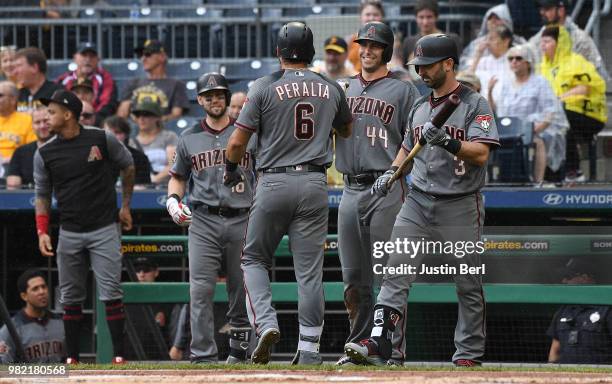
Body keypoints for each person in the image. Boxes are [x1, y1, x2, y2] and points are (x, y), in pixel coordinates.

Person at [344, 33, 499, 367]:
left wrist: (447, 142)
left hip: (460, 202)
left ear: (448, 64)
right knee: (395, 272)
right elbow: (407, 147)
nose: (422, 72)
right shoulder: (419, 104)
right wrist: (392, 172)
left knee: (468, 281)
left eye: (428, 66)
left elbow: (482, 153)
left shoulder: (473, 104)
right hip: (417, 200)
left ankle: (468, 354)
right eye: (419, 66)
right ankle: (380, 341)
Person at [224, 22, 352, 365]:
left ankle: (265, 323)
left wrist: (231, 168)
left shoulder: (265, 86)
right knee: (309, 270)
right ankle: (309, 349)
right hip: (314, 182)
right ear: (311, 52)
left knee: (253, 259)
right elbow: (347, 127)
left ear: (278, 51)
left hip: (274, 181)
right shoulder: (330, 85)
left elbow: (237, 142)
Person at [334, 21, 419, 367]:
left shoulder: (403, 90)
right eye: (363, 45)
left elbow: (414, 141)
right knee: (353, 280)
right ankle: (358, 348)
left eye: (373, 45)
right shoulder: (343, 88)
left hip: (387, 187)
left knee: (389, 275)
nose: (366, 50)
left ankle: (392, 350)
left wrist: (397, 173)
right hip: (349, 189)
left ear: (385, 50)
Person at [33, 89, 135, 364]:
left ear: (68, 114)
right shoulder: (45, 152)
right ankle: (73, 359)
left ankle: (119, 357)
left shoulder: (101, 138)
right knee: (70, 296)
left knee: (111, 292)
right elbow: (42, 195)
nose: (46, 116)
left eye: (52, 111)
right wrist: (42, 230)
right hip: (69, 230)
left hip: (104, 226)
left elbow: (128, 165)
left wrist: (125, 205)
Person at [168, 72, 255, 364]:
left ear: (227, 97)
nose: (214, 99)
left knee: (240, 288)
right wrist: (172, 201)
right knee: (201, 290)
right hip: (203, 219)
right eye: (208, 95)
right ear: (200, 100)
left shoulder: (246, 132)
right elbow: (178, 177)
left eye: (219, 94)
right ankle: (203, 355)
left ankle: (240, 351)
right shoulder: (189, 137)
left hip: (242, 216)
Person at [489, 44, 568, 185]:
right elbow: (499, 112)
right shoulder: (507, 84)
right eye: (510, 58)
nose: (514, 61)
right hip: (511, 129)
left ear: (528, 62)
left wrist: (536, 128)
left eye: (518, 58)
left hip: (535, 128)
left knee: (537, 141)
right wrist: (489, 91)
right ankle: (496, 179)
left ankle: (538, 181)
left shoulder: (540, 82)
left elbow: (550, 111)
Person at [538, 26, 607, 183]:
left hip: (590, 115)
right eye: (541, 42)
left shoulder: (576, 62)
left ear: (559, 43)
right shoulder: (543, 67)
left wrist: (558, 100)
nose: (543, 46)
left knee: (560, 120)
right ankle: (550, 177)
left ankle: (574, 170)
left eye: (547, 41)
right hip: (560, 113)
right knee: (545, 123)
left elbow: (583, 88)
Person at [547, 258, 612, 364]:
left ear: (585, 277)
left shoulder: (607, 309)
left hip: (599, 376)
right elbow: (555, 350)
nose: (564, 281)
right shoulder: (563, 311)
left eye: (568, 277)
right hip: (565, 376)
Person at [529, 0, 609, 80]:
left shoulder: (580, 39)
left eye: (547, 9)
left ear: (561, 11)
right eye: (541, 9)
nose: (542, 12)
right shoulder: (537, 40)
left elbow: (599, 76)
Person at [0, 269, 65, 363]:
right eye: (35, 289)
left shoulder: (60, 323)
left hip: (58, 377)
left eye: (44, 287)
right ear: (24, 296)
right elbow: (4, 369)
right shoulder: (11, 329)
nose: (42, 292)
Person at [117, 40, 190, 121]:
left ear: (162, 57)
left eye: (148, 54)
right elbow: (122, 114)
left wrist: (151, 123)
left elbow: (176, 115)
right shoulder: (133, 83)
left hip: (161, 130)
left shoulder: (176, 84)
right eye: (141, 55)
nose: (143, 59)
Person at [56, 42, 118, 121]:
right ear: (75, 57)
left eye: (92, 56)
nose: (88, 59)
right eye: (84, 55)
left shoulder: (106, 79)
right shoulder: (63, 80)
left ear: (98, 59)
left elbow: (107, 105)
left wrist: (90, 118)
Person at [459, 3, 525, 71]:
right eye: (490, 18)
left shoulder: (519, 43)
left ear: (506, 21)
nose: (493, 21)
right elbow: (464, 69)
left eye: (497, 18)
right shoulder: (476, 44)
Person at [401, 0, 462, 71]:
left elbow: (459, 66)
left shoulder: (452, 39)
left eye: (429, 17)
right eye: (421, 17)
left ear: (436, 17)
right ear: (416, 18)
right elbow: (405, 70)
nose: (425, 22)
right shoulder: (409, 42)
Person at [133, 100, 178, 185]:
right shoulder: (132, 142)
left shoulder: (169, 137)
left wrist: (155, 179)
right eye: (138, 115)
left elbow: (174, 165)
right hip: (139, 187)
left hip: (165, 186)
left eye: (146, 115)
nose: (141, 119)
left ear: (157, 117)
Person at [7, 107, 52, 189]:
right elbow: (12, 186)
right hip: (28, 199)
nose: (42, 126)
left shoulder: (67, 149)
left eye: (46, 121)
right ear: (32, 126)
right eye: (37, 122)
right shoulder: (20, 152)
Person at [103, 115, 152, 187]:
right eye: (108, 132)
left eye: (117, 132)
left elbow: (143, 186)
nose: (112, 136)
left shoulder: (140, 158)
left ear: (125, 135)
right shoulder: (95, 157)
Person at [469, 24, 514, 100]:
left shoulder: (515, 60)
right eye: (487, 39)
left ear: (506, 41)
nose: (487, 43)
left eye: (492, 39)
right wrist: (478, 54)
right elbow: (468, 81)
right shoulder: (482, 61)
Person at [13, 47, 62, 112]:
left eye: (19, 66)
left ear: (34, 67)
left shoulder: (57, 93)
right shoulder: (17, 95)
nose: (14, 72)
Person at [0, 81, 35, 169]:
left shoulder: (27, 120)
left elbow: (32, 150)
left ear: (13, 100)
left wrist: (10, 159)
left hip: (14, 166)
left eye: (0, 95)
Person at [347, 0, 385, 73]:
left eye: (375, 15)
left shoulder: (391, 40)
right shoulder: (350, 40)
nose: (371, 18)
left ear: (382, 17)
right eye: (368, 14)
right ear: (361, 17)